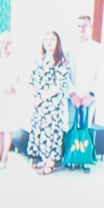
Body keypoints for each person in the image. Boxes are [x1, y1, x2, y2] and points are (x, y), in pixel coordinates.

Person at [26, 30, 71, 175]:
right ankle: (44, 160)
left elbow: (58, 86)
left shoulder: (61, 61)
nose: (49, 42)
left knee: (52, 134)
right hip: (38, 105)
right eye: (46, 39)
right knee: (40, 132)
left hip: (52, 106)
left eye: (52, 39)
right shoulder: (39, 59)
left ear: (57, 43)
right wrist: (33, 97)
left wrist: (40, 98)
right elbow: (32, 80)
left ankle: (51, 164)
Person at [0, 30, 23, 167]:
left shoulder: (17, 60)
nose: (5, 45)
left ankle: (5, 156)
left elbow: (24, 80)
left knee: (8, 128)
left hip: (10, 98)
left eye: (8, 42)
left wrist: (14, 88)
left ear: (11, 44)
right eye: (2, 42)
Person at [67, 14, 101, 130]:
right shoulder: (69, 49)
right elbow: (64, 74)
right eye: (79, 26)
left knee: (86, 130)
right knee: (71, 129)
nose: (81, 28)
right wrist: (72, 94)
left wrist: (91, 95)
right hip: (72, 97)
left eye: (85, 26)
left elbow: (101, 75)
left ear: (90, 27)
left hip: (89, 98)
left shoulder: (98, 49)